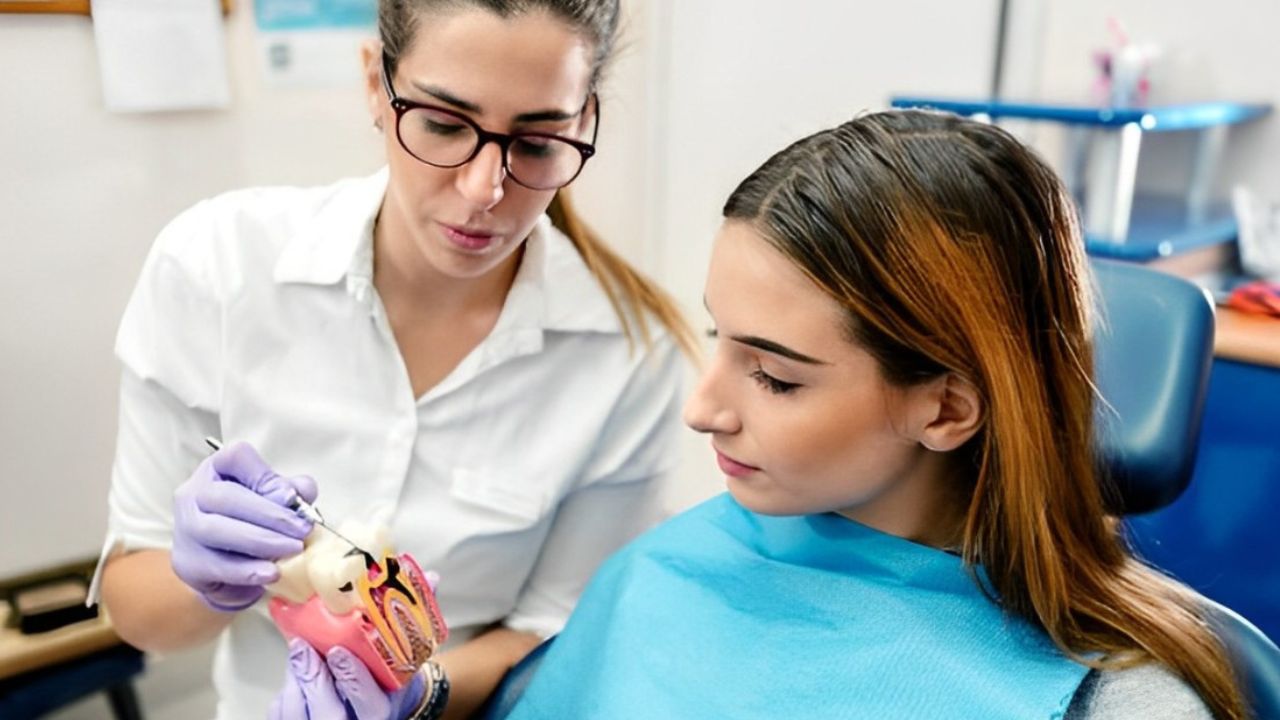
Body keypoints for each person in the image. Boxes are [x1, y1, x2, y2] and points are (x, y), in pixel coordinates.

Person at [497, 111, 1247, 718]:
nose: (703, 409)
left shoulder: (1117, 704)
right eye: (717, 339)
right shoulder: (661, 571)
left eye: (775, 378)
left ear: (947, 408)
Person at [93, 1, 696, 718]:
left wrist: (418, 694)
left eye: (536, 143)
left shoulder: (632, 355)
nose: (484, 190)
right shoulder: (216, 267)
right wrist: (208, 578)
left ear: (585, 121)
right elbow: (134, 612)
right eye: (443, 124)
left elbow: (557, 630)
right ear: (377, 85)